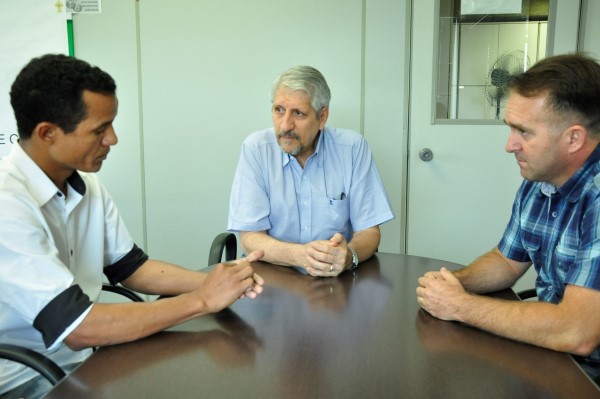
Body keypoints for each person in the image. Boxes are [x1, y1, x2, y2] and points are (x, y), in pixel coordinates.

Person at [0, 54, 264, 398]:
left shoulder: (84, 183)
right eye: (99, 129)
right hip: (27, 376)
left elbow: (132, 268)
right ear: (48, 133)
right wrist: (201, 299)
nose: (112, 139)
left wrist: (222, 281)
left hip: (86, 358)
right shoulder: (7, 203)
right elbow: (77, 327)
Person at [416, 53, 600, 381]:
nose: (509, 145)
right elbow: (505, 261)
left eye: (523, 132)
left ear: (573, 138)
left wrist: (460, 306)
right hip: (553, 354)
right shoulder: (541, 179)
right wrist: (454, 283)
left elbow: (578, 332)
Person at [227, 65, 394, 277]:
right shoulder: (256, 149)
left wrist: (349, 255)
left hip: (336, 280)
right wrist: (302, 255)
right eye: (279, 110)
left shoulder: (352, 148)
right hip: (273, 277)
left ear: (322, 117)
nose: (285, 125)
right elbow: (251, 236)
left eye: (298, 113)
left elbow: (369, 231)